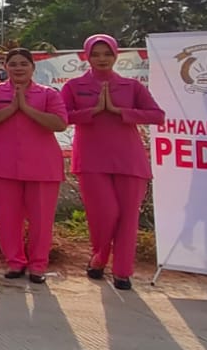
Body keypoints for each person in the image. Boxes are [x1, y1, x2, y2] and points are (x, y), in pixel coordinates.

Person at [61, 33, 166, 290]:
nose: (102, 59)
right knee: (105, 214)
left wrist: (120, 112)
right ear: (86, 57)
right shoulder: (74, 86)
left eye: (107, 54)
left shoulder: (132, 86)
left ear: (115, 55)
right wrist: (93, 111)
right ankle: (98, 258)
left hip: (129, 160)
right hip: (91, 160)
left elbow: (157, 115)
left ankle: (122, 272)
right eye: (95, 54)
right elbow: (61, 117)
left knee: (128, 217)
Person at [0, 47, 69, 283]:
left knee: (41, 220)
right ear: (5, 67)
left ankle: (38, 265)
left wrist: (27, 109)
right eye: (13, 64)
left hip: (42, 165)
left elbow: (59, 123)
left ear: (32, 67)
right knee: (7, 218)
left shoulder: (48, 94)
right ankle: (15, 262)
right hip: (2, 163)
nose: (18, 68)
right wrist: (11, 109)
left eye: (23, 64)